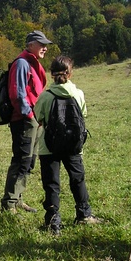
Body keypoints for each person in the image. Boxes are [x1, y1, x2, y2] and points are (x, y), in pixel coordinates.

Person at [34, 56, 102, 235]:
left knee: (52, 183)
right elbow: (83, 114)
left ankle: (53, 221)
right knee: (77, 179)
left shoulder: (46, 96)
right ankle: (84, 214)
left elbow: (38, 117)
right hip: (74, 144)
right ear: (70, 73)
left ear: (51, 74)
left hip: (49, 146)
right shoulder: (78, 93)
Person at [1, 30, 52, 214]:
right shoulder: (22, 63)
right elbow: (17, 93)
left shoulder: (32, 63)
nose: (45, 48)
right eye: (41, 44)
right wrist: (29, 116)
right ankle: (9, 203)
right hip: (24, 120)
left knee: (29, 161)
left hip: (34, 121)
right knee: (21, 160)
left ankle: (18, 198)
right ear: (30, 45)